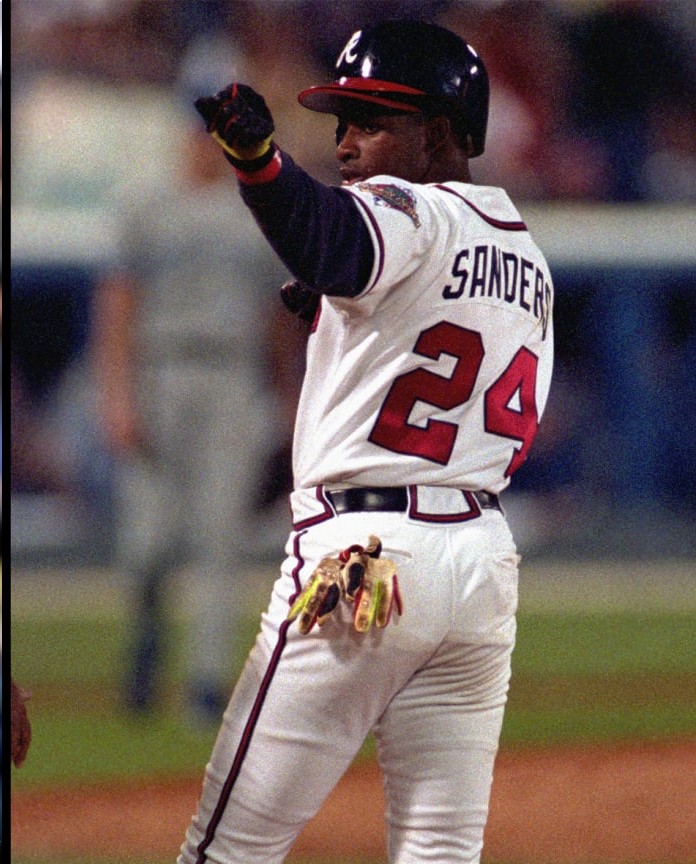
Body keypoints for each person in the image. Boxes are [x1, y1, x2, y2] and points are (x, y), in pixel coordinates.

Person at [178, 20, 554, 864]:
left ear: (446, 134)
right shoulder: (524, 253)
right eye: (342, 120)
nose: (347, 143)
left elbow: (333, 240)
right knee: (440, 852)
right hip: (482, 563)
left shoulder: (408, 207)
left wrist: (261, 166)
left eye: (373, 119)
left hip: (365, 558)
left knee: (226, 850)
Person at [93, 102, 288, 722]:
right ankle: (146, 648)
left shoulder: (252, 207)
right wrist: (117, 394)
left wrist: (289, 392)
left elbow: (277, 312)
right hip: (159, 371)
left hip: (232, 376)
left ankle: (205, 683)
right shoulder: (146, 204)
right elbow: (118, 303)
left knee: (219, 534)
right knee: (147, 541)